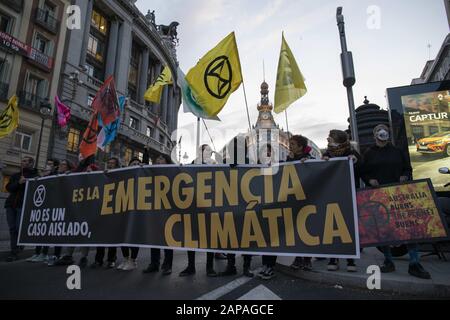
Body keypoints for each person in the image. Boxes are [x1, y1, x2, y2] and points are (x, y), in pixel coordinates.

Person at [362, 124, 431, 279]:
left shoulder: (397, 151)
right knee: (384, 230)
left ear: (388, 134)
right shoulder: (369, 153)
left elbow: (408, 168)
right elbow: (363, 172)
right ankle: (388, 261)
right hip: (379, 195)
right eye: (379, 130)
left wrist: (405, 176)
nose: (382, 132)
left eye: (385, 130)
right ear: (375, 135)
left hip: (399, 196)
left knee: (408, 228)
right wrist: (369, 180)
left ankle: (414, 263)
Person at [322, 129, 361, 272]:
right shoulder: (326, 154)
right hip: (332, 196)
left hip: (347, 196)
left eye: (331, 137)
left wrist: (354, 162)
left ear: (338, 139)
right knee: (332, 227)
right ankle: (333, 258)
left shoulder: (351, 153)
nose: (328, 139)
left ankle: (350, 260)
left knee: (348, 227)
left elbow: (361, 168)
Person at [179, 145, 218, 277]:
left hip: (209, 205)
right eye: (203, 149)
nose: (205, 152)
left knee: (209, 238)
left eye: (207, 150)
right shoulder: (193, 163)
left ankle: (210, 267)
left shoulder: (215, 164)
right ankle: (191, 266)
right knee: (192, 237)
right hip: (194, 205)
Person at [53, 156, 97, 268]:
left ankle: (83, 257)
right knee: (71, 231)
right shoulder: (73, 174)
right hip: (72, 208)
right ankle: (68, 255)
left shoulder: (94, 173)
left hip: (86, 209)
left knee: (84, 233)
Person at [219, 137, 254, 278]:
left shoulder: (249, 163)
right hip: (230, 206)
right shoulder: (225, 162)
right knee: (230, 238)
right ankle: (231, 266)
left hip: (246, 205)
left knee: (247, 238)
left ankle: (246, 267)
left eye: (238, 146)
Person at [287, 135, 315, 272]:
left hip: (307, 199)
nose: (290, 146)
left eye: (292, 144)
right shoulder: (289, 158)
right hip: (294, 199)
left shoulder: (309, 158)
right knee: (296, 230)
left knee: (307, 229)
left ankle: (307, 260)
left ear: (300, 146)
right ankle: (298, 258)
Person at [143, 154, 174, 275]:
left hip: (167, 211)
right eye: (157, 158)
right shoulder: (151, 172)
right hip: (154, 210)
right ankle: (154, 264)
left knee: (168, 239)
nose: (158, 160)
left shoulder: (172, 173)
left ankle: (167, 265)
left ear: (167, 162)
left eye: (161, 158)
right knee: (154, 238)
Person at [4, 156, 39, 262]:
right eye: (22, 161)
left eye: (25, 161)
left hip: (23, 206)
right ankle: (14, 252)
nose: (22, 163)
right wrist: (19, 183)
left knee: (20, 227)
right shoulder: (16, 175)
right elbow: (8, 188)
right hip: (11, 205)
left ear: (31, 163)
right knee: (12, 229)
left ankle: (21, 243)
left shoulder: (35, 176)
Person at [26, 159, 59, 263]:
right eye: (47, 164)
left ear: (55, 167)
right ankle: (37, 253)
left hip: (50, 207)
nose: (47, 166)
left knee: (46, 233)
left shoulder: (56, 176)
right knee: (40, 231)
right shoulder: (42, 176)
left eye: (50, 164)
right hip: (41, 208)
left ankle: (44, 253)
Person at [91, 157, 121, 269]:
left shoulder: (120, 175)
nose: (110, 165)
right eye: (109, 163)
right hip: (102, 209)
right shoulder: (102, 175)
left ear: (117, 165)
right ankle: (98, 260)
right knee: (101, 237)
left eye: (112, 163)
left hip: (114, 210)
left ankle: (111, 259)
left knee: (112, 237)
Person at [47, 160, 75, 266]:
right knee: (57, 230)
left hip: (68, 208)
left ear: (68, 167)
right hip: (56, 207)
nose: (60, 166)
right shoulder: (55, 175)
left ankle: (68, 255)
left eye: (63, 164)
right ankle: (56, 255)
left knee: (68, 231)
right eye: (60, 164)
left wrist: (69, 175)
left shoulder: (72, 175)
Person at [257, 144, 278, 280]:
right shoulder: (256, 167)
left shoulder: (278, 166)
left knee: (273, 238)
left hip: (275, 206)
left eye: (268, 152)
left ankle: (271, 266)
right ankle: (265, 264)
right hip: (262, 207)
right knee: (264, 238)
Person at [117, 157, 141, 271]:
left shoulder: (143, 175)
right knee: (122, 235)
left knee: (135, 236)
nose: (135, 164)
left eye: (138, 163)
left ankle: (133, 260)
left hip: (137, 210)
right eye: (133, 163)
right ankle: (126, 259)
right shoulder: (123, 175)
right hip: (124, 208)